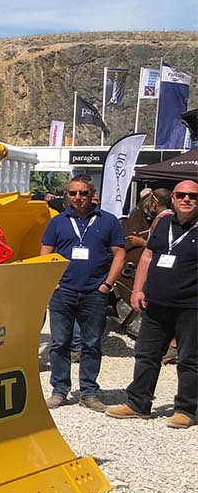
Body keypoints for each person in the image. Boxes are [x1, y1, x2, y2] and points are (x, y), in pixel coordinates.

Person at [106, 178, 197, 428]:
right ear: (173, 199)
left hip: (190, 307)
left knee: (189, 359)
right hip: (155, 304)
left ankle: (186, 409)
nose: (187, 199)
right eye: (181, 195)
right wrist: (137, 289)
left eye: (193, 196)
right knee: (146, 354)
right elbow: (148, 255)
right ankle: (138, 403)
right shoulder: (164, 222)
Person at [39, 176, 126, 412]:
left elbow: (119, 254)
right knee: (60, 343)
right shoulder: (58, 222)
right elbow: (46, 251)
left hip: (94, 292)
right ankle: (59, 390)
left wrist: (107, 285)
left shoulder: (108, 221)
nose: (77, 198)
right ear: (67, 195)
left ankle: (88, 392)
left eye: (83, 193)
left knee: (91, 343)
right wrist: (52, 282)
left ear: (92, 194)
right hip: (63, 292)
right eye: (73, 193)